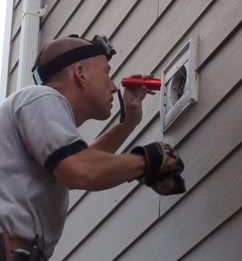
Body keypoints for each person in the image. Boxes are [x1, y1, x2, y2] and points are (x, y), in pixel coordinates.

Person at [0, 35, 185, 261]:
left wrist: (128, 124)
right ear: (80, 73)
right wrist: (149, 160)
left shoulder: (32, 113)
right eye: (106, 73)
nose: (114, 86)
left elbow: (84, 161)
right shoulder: (41, 97)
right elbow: (81, 170)